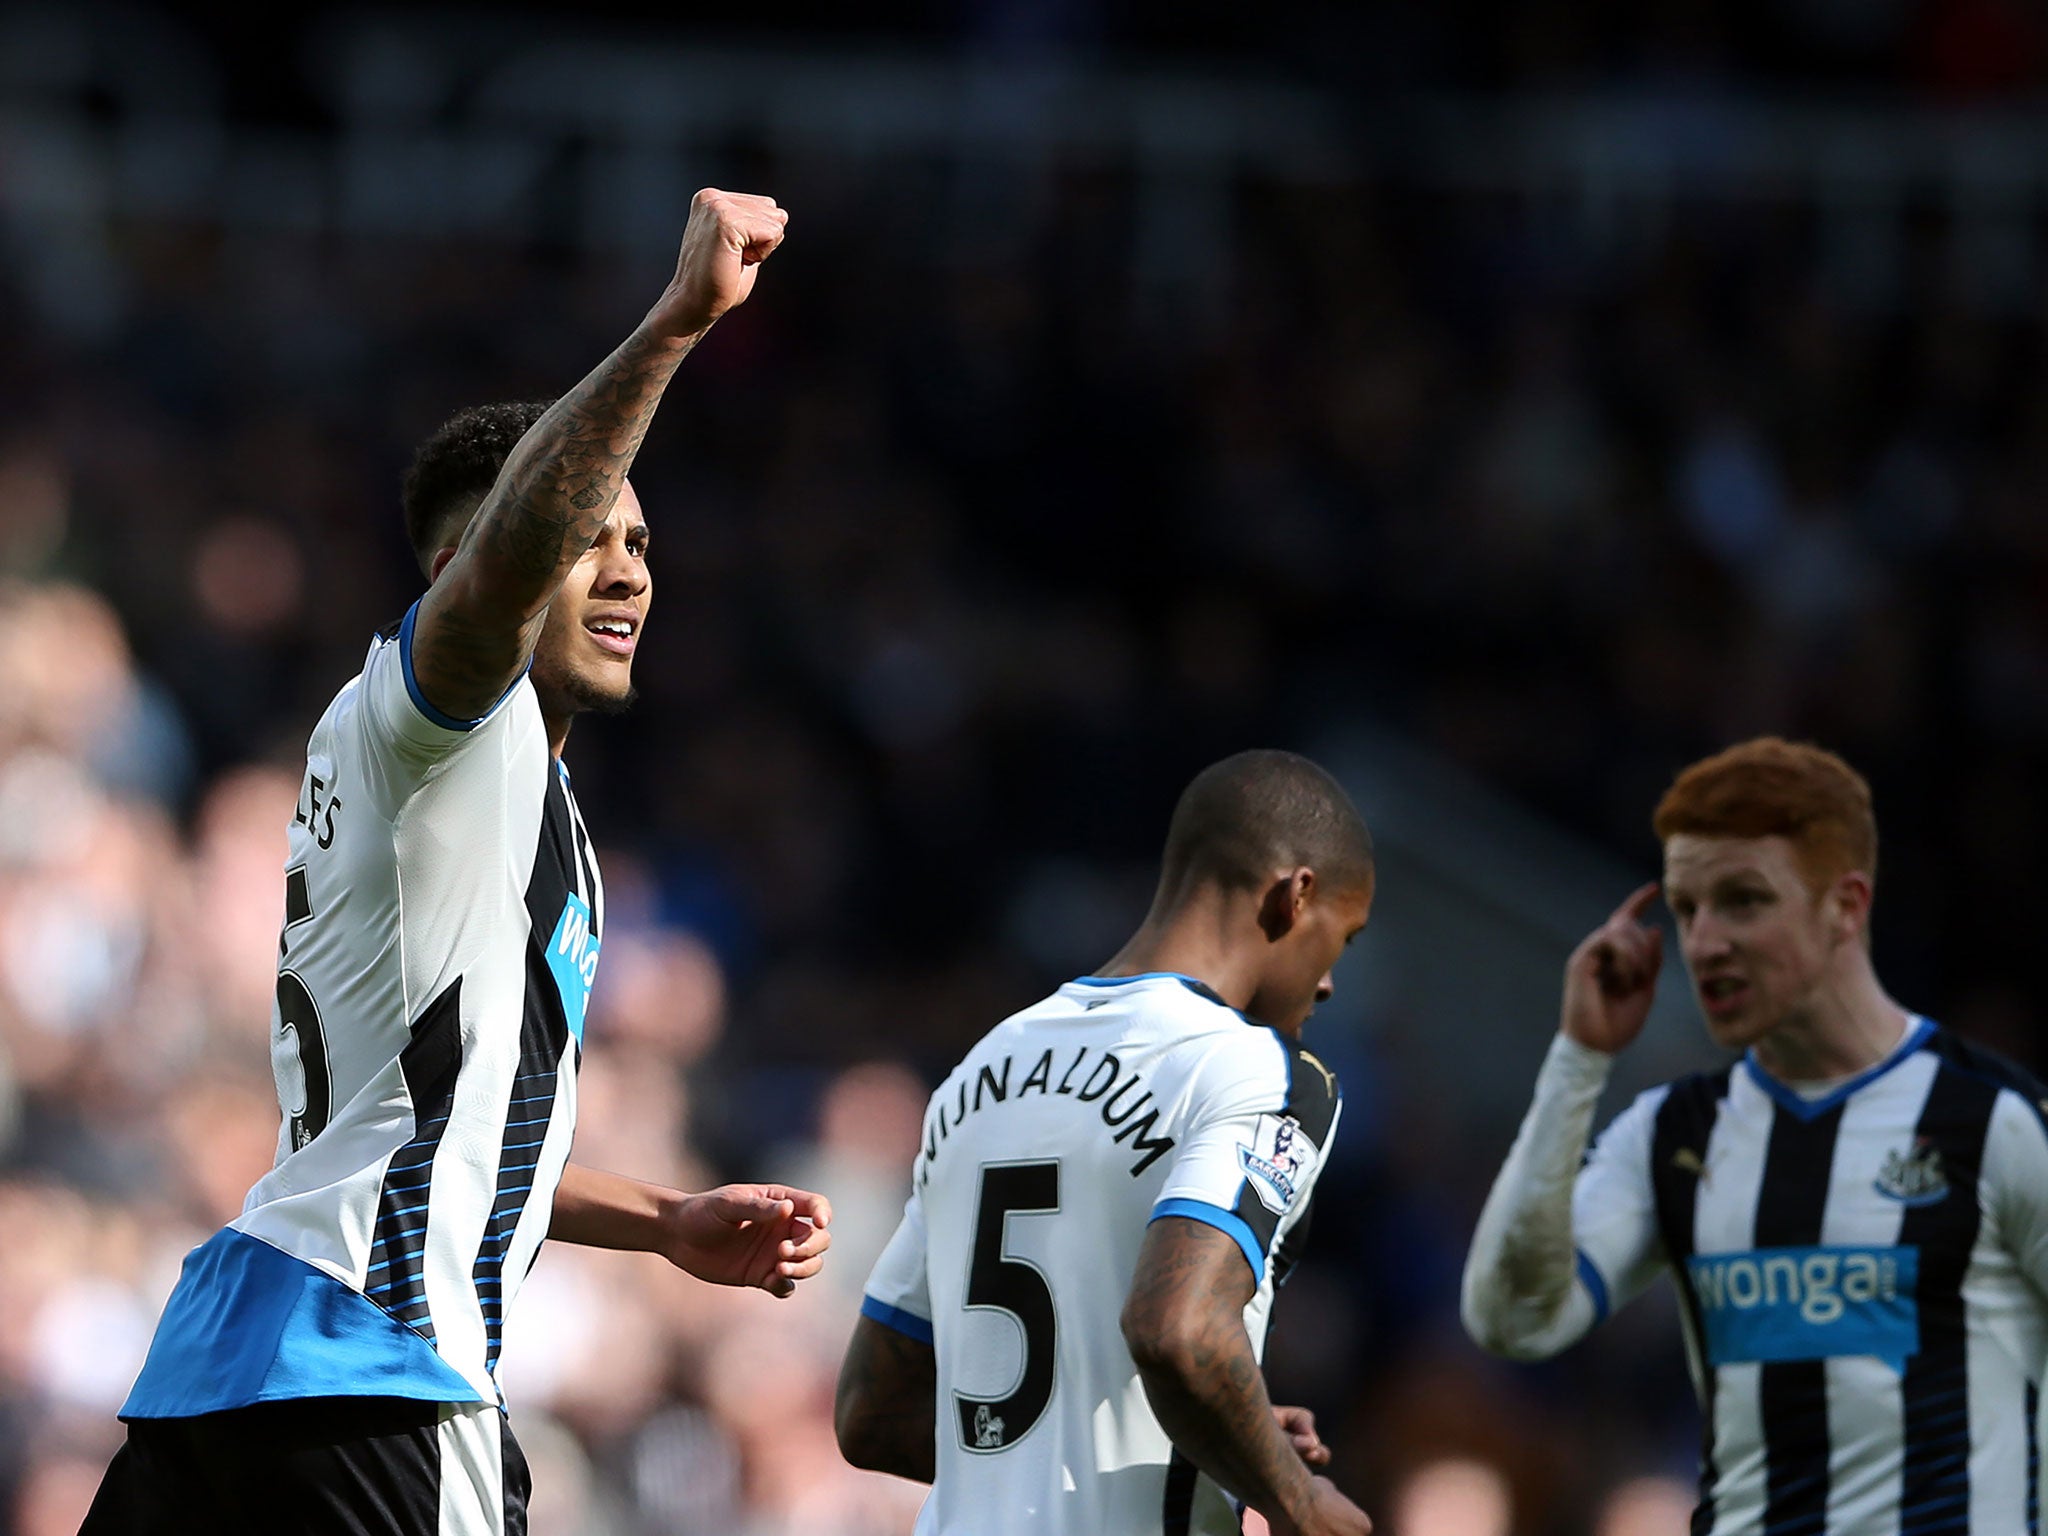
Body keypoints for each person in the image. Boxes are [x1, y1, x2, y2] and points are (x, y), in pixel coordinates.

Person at [83, 189, 832, 1536]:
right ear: (462, 563)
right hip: (381, 1374)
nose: (626, 573)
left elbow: (443, 1138)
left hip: (229, 1370)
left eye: (643, 545)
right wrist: (676, 327)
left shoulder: (514, 807)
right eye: (587, 536)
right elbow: (501, 577)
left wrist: (661, 1218)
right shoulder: (441, 717)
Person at [1462, 736, 2048, 1533]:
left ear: (1845, 906)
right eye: (1687, 908)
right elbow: (1512, 1316)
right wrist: (1578, 1060)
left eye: (1743, 901)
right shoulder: (1672, 1134)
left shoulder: (1999, 1119)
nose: (1704, 943)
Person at [835, 749, 1378, 1536]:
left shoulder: (983, 1066)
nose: (1328, 983)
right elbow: (1180, 1332)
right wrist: (1299, 1499)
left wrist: (1229, 1439)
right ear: (1296, 897)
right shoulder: (1264, 1071)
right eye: (1344, 939)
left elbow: (870, 1414)